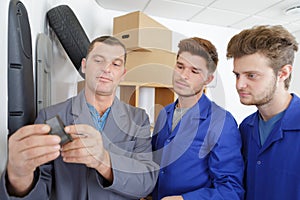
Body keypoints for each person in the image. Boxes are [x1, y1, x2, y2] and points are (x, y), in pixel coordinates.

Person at [0, 36, 158, 200]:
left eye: (116, 64)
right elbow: (41, 189)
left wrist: (103, 160)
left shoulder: (138, 119)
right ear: (84, 65)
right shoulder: (52, 117)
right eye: (98, 60)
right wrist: (18, 177)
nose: (106, 68)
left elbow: (145, 182)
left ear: (123, 73)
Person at [151, 37, 244, 200]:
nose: (183, 76)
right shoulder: (164, 113)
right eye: (180, 66)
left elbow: (230, 190)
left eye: (194, 71)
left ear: (208, 79)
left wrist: (184, 199)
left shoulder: (221, 121)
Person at [226, 25, 299, 200]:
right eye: (237, 75)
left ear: (283, 73)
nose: (239, 85)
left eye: (251, 75)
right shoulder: (245, 128)